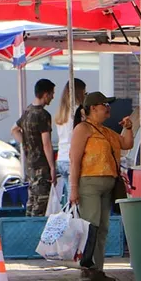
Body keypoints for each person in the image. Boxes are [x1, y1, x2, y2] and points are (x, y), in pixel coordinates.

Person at [69, 91, 134, 281]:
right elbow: (74, 160)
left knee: (103, 228)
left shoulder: (105, 131)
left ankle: (98, 268)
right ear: (92, 108)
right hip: (89, 183)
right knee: (91, 226)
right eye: (104, 104)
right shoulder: (83, 129)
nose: (108, 108)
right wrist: (73, 188)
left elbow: (126, 143)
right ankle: (86, 269)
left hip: (108, 185)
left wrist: (128, 128)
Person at [11, 79, 57, 217]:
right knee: (41, 205)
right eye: (52, 94)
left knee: (31, 202)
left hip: (30, 165)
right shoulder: (43, 115)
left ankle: (27, 228)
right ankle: (35, 230)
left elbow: (14, 130)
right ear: (45, 94)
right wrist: (52, 167)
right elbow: (46, 143)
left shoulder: (27, 111)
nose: (53, 97)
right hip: (42, 166)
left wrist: (27, 145)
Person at [54, 78, 87, 207]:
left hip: (61, 158)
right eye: (84, 92)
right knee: (75, 199)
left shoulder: (61, 112)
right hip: (72, 158)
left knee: (68, 196)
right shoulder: (78, 112)